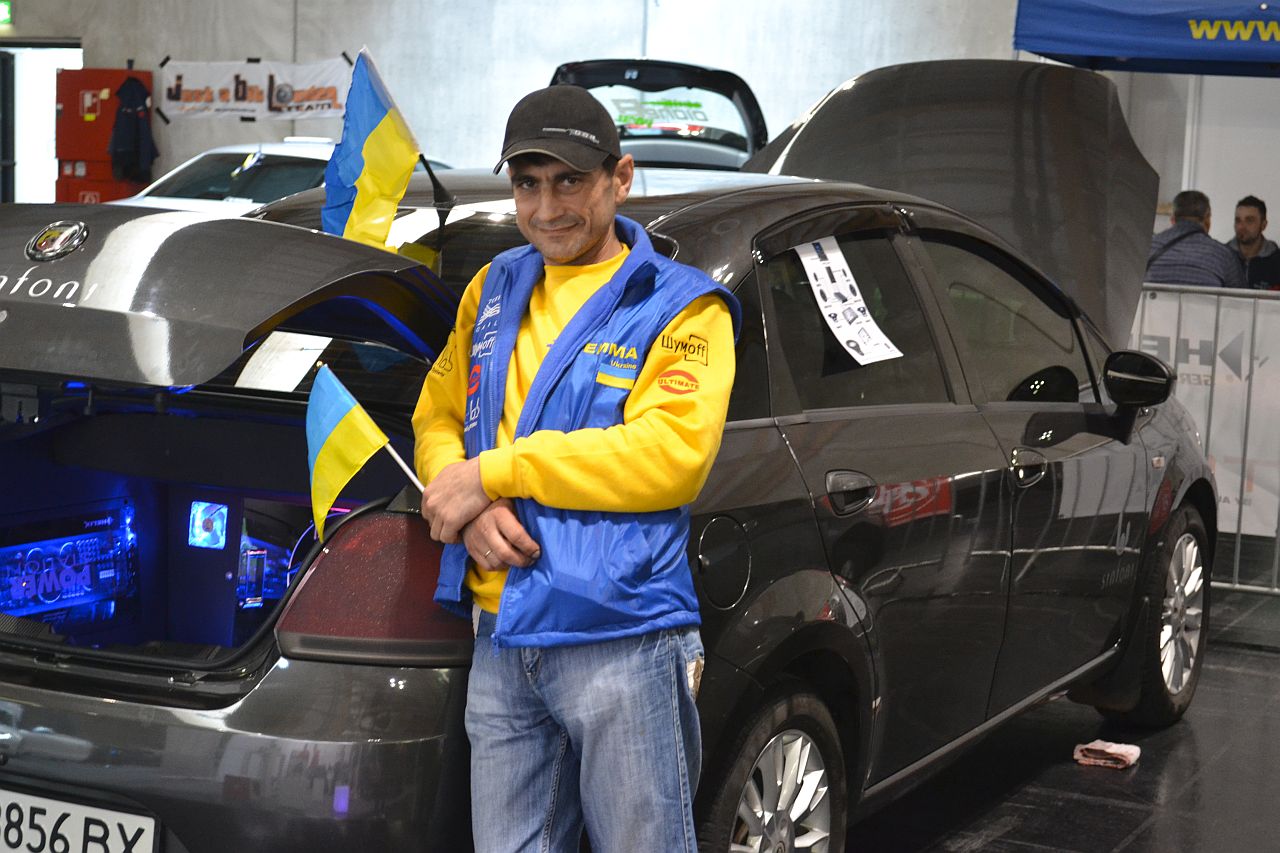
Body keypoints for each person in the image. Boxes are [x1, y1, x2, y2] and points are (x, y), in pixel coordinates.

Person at [412, 84, 739, 853]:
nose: (546, 207)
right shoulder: (493, 288)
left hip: (619, 634)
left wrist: (494, 473)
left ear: (620, 178)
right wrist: (464, 498)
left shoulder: (682, 306)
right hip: (500, 634)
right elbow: (436, 414)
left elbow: (669, 455)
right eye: (528, 183)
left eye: (570, 181)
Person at [1147, 189, 1245, 288]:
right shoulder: (1224, 255)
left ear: (1173, 219)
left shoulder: (1149, 247)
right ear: (1207, 219)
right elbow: (1240, 296)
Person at [1226, 195, 1280, 290]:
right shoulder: (1222, 256)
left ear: (1263, 225)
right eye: (1238, 220)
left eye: (1249, 220)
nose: (1241, 227)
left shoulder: (1276, 260)